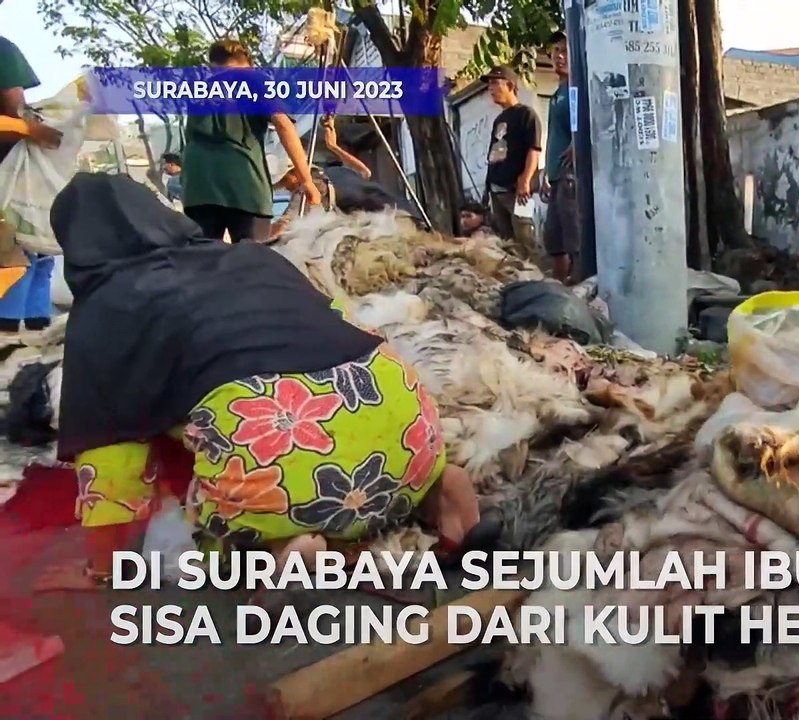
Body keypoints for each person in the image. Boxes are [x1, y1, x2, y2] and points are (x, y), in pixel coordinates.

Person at [34, 174, 484, 591]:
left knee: (195, 534)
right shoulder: (249, 256)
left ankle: (280, 548)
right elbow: (334, 323)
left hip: (283, 449)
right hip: (406, 417)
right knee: (356, 443)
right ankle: (439, 488)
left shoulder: (108, 307)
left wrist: (104, 569)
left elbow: (110, 451)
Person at [181, 39, 320, 244]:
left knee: (203, 260)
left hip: (198, 187)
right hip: (243, 182)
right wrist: (307, 181)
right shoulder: (254, 79)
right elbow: (283, 125)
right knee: (254, 258)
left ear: (212, 65)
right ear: (249, 63)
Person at [0, 36, 61, 336]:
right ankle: (23, 327)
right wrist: (36, 128)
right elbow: (15, 104)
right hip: (7, 159)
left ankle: (18, 325)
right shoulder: (2, 48)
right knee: (24, 243)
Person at [269, 116, 373, 239]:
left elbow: (283, 225)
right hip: (355, 208)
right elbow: (365, 172)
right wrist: (334, 147)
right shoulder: (344, 175)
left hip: (334, 198)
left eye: (286, 182)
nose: (287, 188)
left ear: (295, 172)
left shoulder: (310, 185)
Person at [482, 66, 541, 253]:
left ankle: (534, 278)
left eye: (495, 83)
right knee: (505, 244)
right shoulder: (499, 119)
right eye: (489, 85)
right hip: (496, 189)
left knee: (525, 240)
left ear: (510, 85)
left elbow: (534, 149)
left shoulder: (526, 114)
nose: (491, 89)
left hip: (517, 190)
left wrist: (525, 180)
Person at [540, 33, 579, 284]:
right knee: (553, 240)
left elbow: (589, 122)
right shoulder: (557, 94)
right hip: (554, 176)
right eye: (555, 52)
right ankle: (560, 287)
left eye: (565, 51)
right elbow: (553, 135)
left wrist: (578, 143)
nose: (559, 56)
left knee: (574, 238)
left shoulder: (578, 90)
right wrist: (545, 173)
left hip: (570, 176)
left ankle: (580, 287)